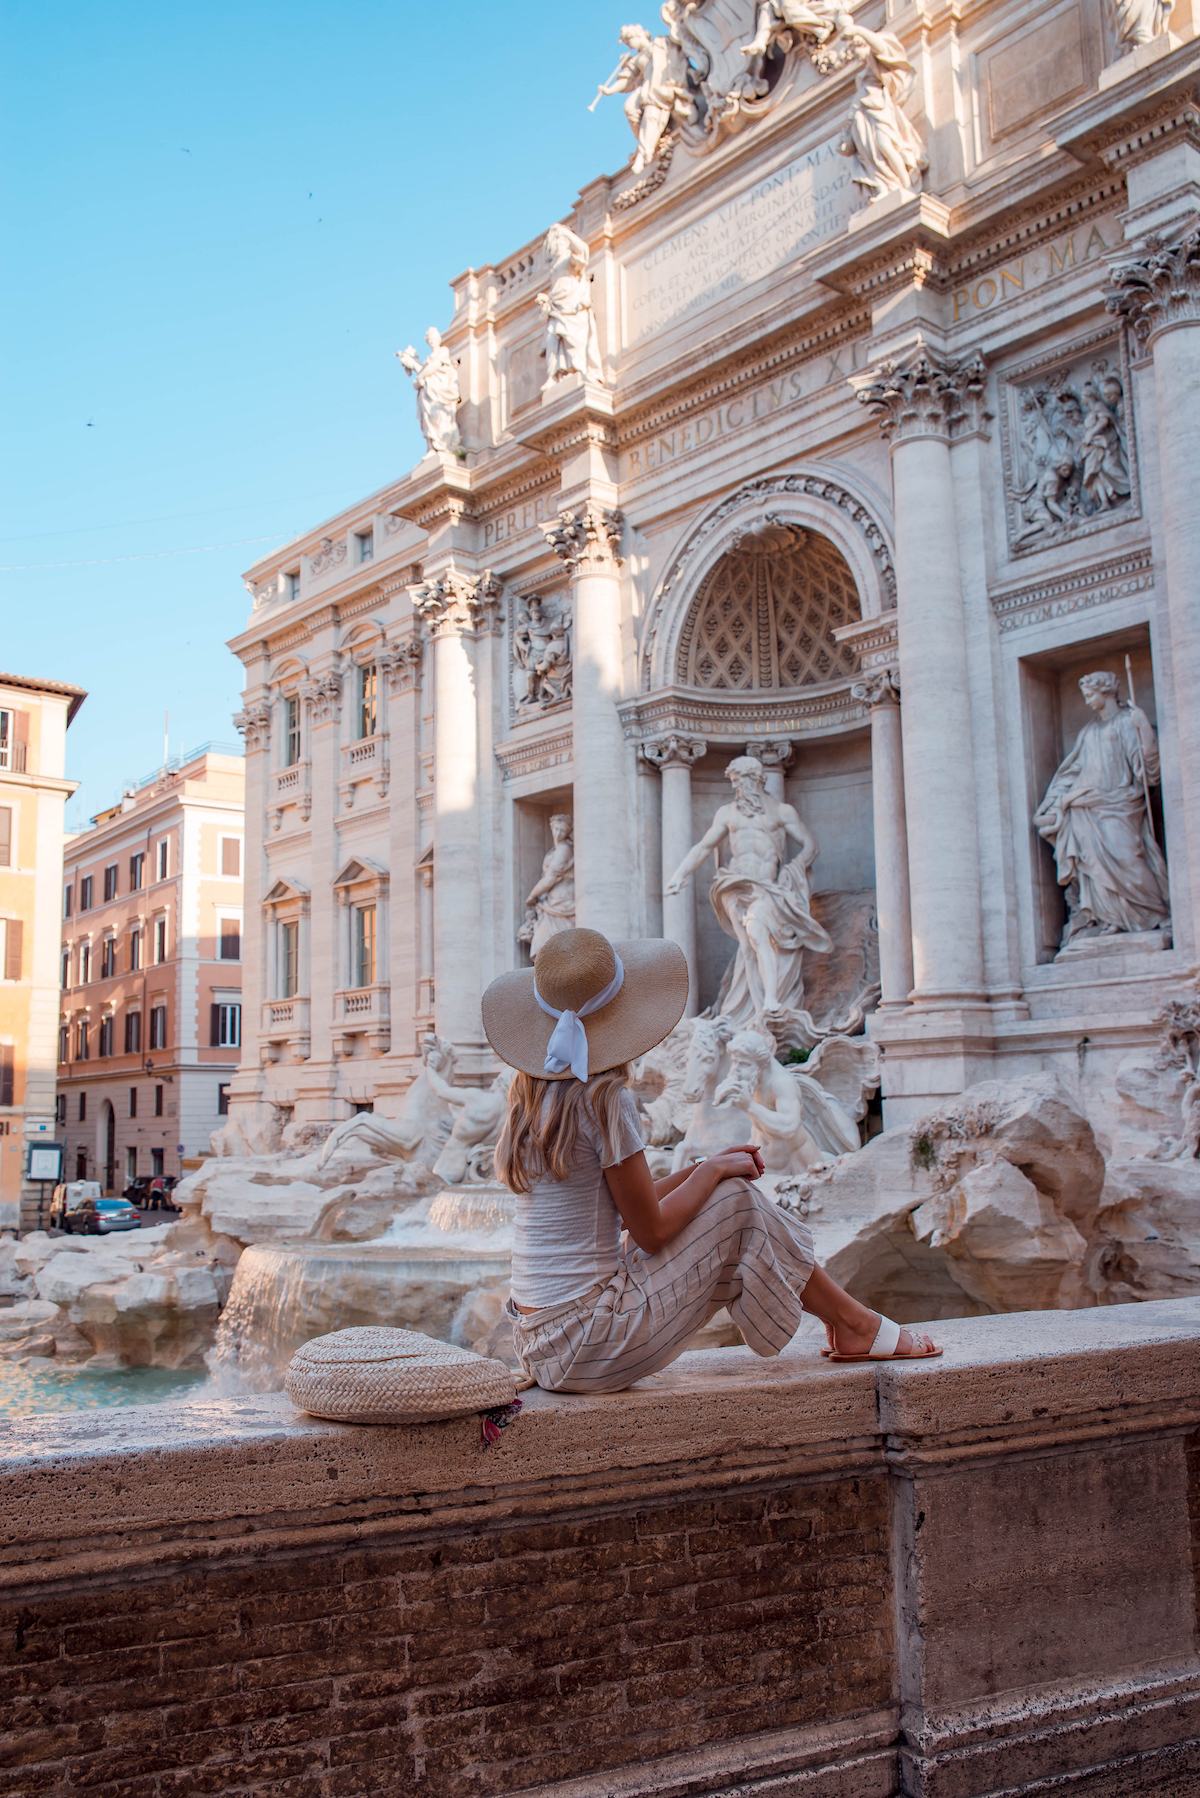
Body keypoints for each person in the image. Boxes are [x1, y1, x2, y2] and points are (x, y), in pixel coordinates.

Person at [482, 926, 939, 1393]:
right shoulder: (605, 1100)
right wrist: (716, 1171)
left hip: (542, 1343)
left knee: (725, 1193)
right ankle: (856, 1324)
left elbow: (619, 1210)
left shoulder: (534, 1100)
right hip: (590, 1344)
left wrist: (704, 1169)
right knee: (738, 1201)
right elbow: (650, 1231)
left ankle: (851, 1323)